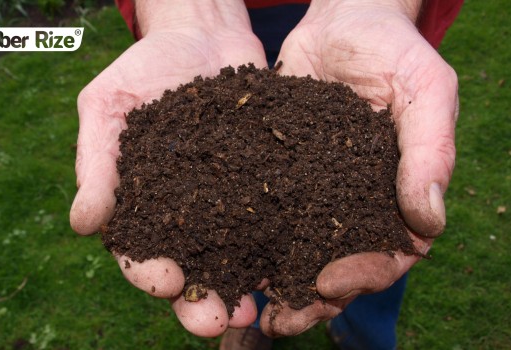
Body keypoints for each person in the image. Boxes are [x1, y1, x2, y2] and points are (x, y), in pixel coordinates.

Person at [70, 0, 462, 348]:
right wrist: (186, 11)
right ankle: (252, 314)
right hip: (217, 22)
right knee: (246, 253)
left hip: (357, 21)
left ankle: (364, 336)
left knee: (373, 250)